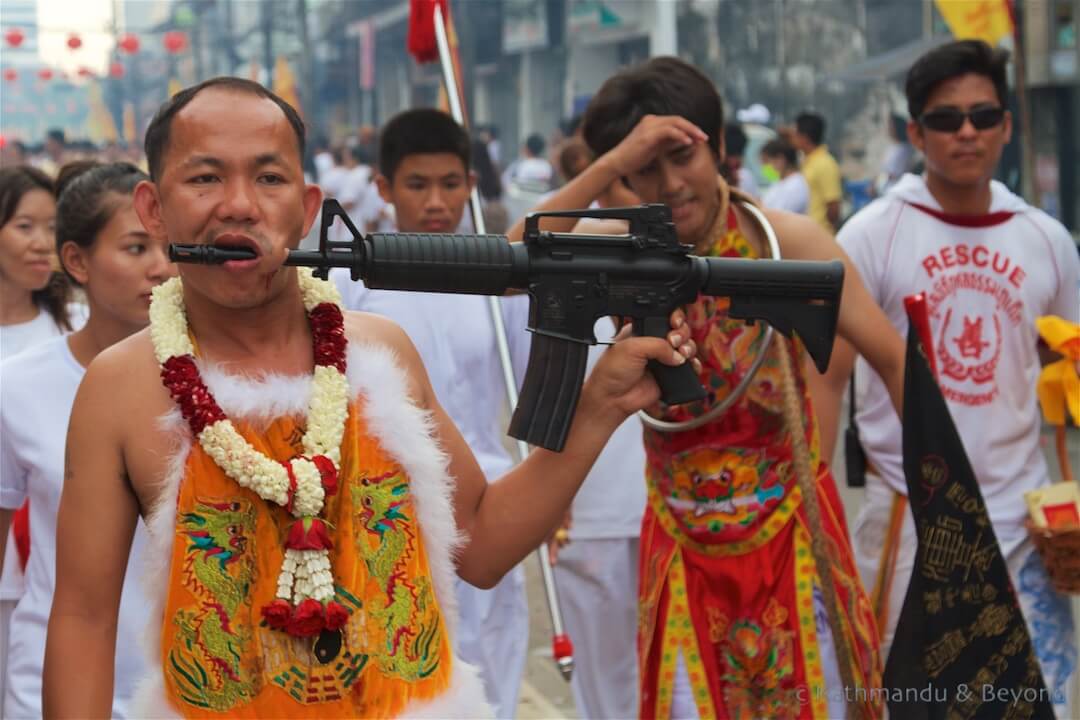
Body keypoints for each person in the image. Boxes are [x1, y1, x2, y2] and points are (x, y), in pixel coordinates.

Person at [42, 77, 696, 719]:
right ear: (154, 209)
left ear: (307, 205)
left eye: (269, 178)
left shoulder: (381, 354)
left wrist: (602, 405)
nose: (239, 205)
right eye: (206, 178)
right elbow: (83, 618)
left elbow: (486, 546)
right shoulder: (120, 387)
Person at [507, 56, 908, 719]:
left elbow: (895, 362)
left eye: (683, 156)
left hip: (793, 540)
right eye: (646, 168)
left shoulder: (788, 243)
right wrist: (612, 162)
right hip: (682, 548)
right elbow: (515, 262)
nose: (668, 183)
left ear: (720, 148)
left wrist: (925, 498)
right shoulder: (620, 249)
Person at [813, 39, 1080, 717]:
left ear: (1007, 126)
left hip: (1022, 530)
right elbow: (827, 379)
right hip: (909, 525)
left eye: (984, 115)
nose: (967, 131)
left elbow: (1066, 374)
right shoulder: (872, 235)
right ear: (914, 132)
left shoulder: (1047, 239)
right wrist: (811, 517)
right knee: (899, 705)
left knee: (1030, 704)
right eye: (946, 119)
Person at [330, 108, 532, 718]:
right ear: (386, 189)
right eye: (418, 185)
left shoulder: (503, 283)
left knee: (495, 680)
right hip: (390, 525)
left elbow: (530, 395)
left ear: (471, 183)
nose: (437, 201)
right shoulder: (350, 286)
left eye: (451, 183)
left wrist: (544, 496)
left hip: (489, 508)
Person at [1, 160, 173, 718]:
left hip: (194, 690)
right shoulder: (17, 387)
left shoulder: (227, 383)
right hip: (48, 688)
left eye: (171, 247)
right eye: (135, 248)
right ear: (75, 260)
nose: (161, 268)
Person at [0, 166, 84, 709]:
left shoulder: (76, 328)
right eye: (23, 225)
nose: (40, 244)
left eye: (49, 228)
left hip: (43, 572)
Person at [791, 111, 842, 233]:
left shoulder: (825, 163)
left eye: (795, 133)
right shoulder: (806, 161)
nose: (793, 138)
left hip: (818, 235)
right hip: (804, 233)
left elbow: (833, 206)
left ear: (805, 137)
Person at [760, 137, 810, 214]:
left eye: (766, 162)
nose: (764, 167)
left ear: (780, 159)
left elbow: (776, 215)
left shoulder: (795, 186)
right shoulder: (779, 182)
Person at [876, 112, 916, 195]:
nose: (888, 129)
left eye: (891, 126)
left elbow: (893, 174)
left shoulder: (903, 150)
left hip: (893, 190)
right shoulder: (894, 147)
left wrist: (876, 185)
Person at [721, 122, 760, 199]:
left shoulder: (745, 178)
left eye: (740, 154)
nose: (739, 161)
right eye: (732, 154)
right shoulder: (708, 181)